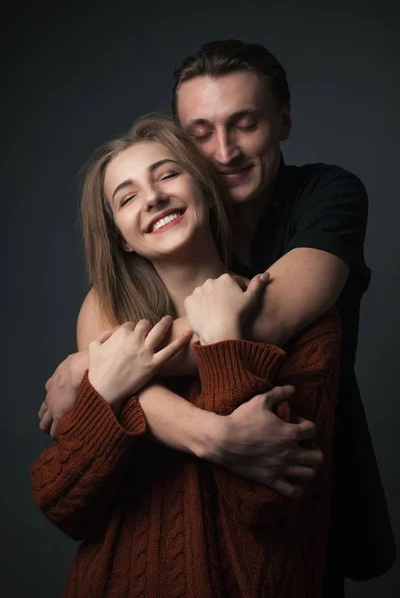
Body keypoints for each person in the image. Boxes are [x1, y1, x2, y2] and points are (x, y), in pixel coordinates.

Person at [39, 40, 395, 594]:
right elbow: (63, 500)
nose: (224, 151)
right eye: (201, 134)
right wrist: (211, 434)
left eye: (245, 123)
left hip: (295, 522)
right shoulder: (132, 273)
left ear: (283, 119)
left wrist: (95, 368)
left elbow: (268, 315)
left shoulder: (325, 197)